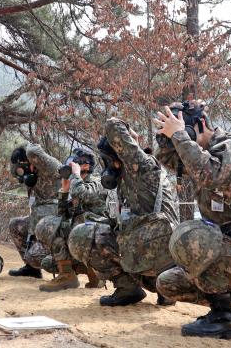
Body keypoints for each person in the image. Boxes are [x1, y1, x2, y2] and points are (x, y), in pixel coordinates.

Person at [152, 101, 231, 339]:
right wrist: (167, 136)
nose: (183, 138)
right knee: (168, 282)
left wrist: (180, 134)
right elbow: (172, 161)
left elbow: (211, 174)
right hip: (230, 258)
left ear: (202, 124)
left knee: (191, 237)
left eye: (187, 131)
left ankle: (223, 317)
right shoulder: (198, 155)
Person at [67, 118, 179, 306]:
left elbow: (112, 124)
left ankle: (160, 285)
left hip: (156, 253)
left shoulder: (142, 167)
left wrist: (131, 135)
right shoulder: (128, 179)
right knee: (94, 230)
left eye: (108, 160)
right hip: (150, 252)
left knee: (82, 235)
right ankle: (141, 288)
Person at [34, 148, 108, 291]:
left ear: (86, 166)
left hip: (97, 239)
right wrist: (64, 191)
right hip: (80, 239)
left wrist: (75, 176)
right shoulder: (76, 184)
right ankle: (72, 275)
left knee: (47, 225)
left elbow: (83, 194)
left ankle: (95, 271)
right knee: (48, 262)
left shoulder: (98, 182)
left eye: (74, 164)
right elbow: (62, 217)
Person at [7, 143, 61, 278]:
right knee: (15, 224)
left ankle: (65, 267)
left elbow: (34, 150)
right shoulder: (31, 174)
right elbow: (15, 171)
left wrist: (28, 150)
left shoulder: (50, 167)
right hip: (38, 220)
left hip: (56, 222)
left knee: (34, 256)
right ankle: (31, 268)